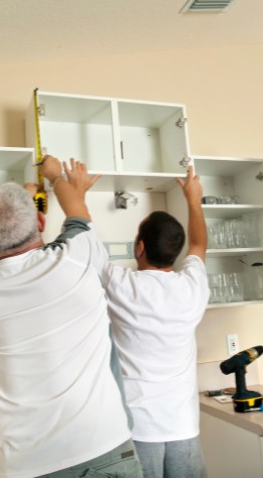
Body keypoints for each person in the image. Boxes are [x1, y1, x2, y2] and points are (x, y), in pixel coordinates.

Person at [0, 156, 144, 478]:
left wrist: (27, 196)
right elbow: (77, 214)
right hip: (101, 447)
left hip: (20, 465)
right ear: (41, 223)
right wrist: (57, 177)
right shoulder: (77, 260)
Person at [102, 166, 210, 478]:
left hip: (137, 426)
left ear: (140, 246)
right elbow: (199, 245)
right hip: (183, 425)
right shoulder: (192, 285)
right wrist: (193, 200)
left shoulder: (122, 284)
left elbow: (87, 244)